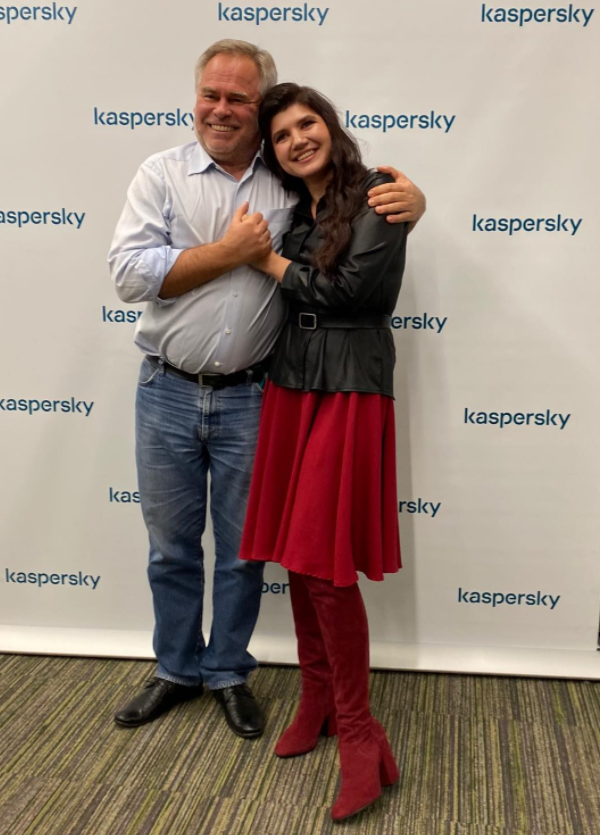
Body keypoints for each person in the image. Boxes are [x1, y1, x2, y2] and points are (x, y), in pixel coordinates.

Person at [108, 40, 426, 739]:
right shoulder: (160, 174)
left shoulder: (285, 181)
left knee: (243, 552)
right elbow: (129, 276)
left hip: (258, 395)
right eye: (211, 94)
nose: (221, 109)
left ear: (259, 110)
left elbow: (350, 218)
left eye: (239, 99)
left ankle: (227, 671)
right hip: (165, 390)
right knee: (171, 548)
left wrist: (413, 200)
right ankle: (175, 668)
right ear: (195, 97)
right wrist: (229, 253)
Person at [238, 83, 408, 820]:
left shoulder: (380, 193)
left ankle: (361, 733)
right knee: (296, 559)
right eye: (281, 135)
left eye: (306, 124)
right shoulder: (293, 212)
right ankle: (317, 699)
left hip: (348, 386)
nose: (297, 140)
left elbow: (348, 291)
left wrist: (268, 263)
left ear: (330, 127)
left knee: (325, 566)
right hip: (291, 381)